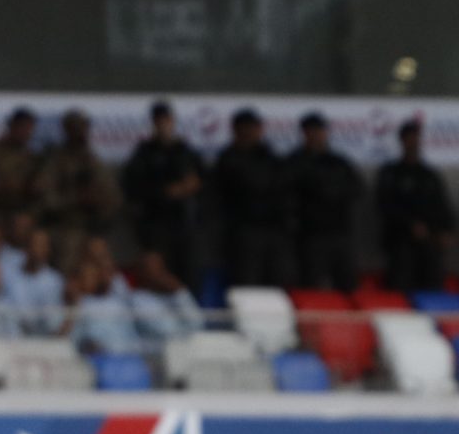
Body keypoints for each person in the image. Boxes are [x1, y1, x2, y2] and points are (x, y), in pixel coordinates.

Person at [123, 100, 207, 290]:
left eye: (166, 120)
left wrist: (191, 186)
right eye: (159, 121)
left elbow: (202, 182)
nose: (163, 125)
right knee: (159, 277)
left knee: (189, 276)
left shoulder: (185, 151)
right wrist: (166, 191)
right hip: (157, 226)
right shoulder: (144, 153)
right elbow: (134, 188)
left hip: (186, 225)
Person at [34, 108, 120, 270]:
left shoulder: (93, 161)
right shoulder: (55, 161)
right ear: (67, 130)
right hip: (64, 227)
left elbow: (113, 197)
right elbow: (44, 197)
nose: (80, 133)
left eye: (82, 128)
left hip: (93, 228)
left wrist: (98, 202)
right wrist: (75, 199)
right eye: (75, 128)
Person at [214, 108, 290, 289]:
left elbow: (284, 190)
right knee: (247, 284)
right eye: (244, 128)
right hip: (242, 232)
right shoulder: (228, 158)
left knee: (277, 283)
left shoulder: (271, 157)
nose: (249, 133)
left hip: (274, 231)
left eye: (253, 128)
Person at [375, 118, 454, 294]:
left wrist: (446, 230)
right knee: (401, 286)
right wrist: (410, 225)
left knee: (433, 285)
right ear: (402, 141)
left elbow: (442, 205)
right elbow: (386, 205)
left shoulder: (429, 174)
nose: (414, 142)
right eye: (410, 138)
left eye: (417, 138)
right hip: (401, 241)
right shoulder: (391, 173)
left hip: (430, 241)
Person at [289, 112, 364, 294]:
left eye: (320, 131)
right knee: (312, 286)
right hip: (311, 235)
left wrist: (332, 192)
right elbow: (289, 194)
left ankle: (349, 322)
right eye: (312, 131)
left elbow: (357, 188)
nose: (316, 135)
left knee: (348, 285)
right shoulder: (295, 162)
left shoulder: (338, 162)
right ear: (304, 133)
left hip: (340, 232)